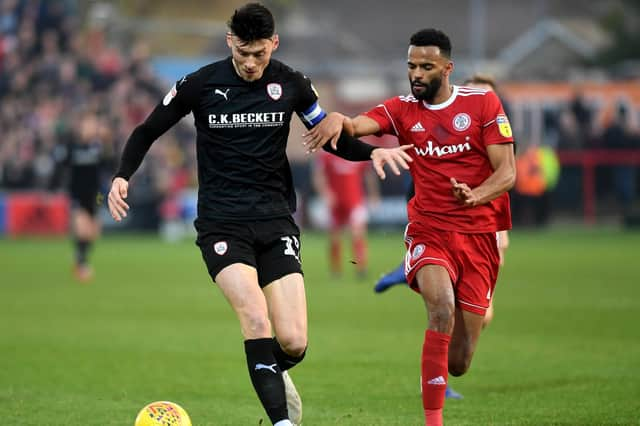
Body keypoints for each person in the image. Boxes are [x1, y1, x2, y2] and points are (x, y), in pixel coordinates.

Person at [106, 4, 412, 426]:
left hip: (275, 221)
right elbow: (146, 130)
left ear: (274, 44)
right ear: (231, 41)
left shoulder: (292, 84)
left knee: (293, 340)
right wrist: (123, 175)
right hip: (221, 224)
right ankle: (281, 421)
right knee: (254, 316)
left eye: (259, 54)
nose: (251, 63)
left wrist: (374, 152)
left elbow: (329, 138)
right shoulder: (200, 84)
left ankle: (269, 369)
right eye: (243, 53)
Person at [303, 29, 515, 425]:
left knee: (460, 362)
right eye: (411, 66)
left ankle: (442, 336)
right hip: (429, 231)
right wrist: (335, 117)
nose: (416, 74)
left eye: (426, 67)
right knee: (441, 311)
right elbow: (356, 126)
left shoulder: (483, 103)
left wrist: (476, 195)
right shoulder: (401, 109)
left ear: (447, 68)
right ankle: (433, 421)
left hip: (480, 236)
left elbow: (507, 173)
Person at [373, 74, 511, 330]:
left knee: (483, 317)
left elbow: (504, 175)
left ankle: (410, 270)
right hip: (444, 221)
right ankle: (418, 264)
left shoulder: (499, 132)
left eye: (486, 95)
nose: (478, 101)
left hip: (488, 216)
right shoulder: (443, 128)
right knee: (447, 308)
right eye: (472, 94)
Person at [51, 112, 113, 282]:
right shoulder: (71, 147)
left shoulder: (98, 147)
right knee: (82, 229)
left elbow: (110, 164)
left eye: (93, 125)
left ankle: (80, 256)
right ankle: (81, 264)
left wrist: (108, 143)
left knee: (94, 232)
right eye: (88, 125)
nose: (91, 128)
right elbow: (60, 167)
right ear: (81, 127)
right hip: (77, 194)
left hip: (97, 195)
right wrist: (55, 188)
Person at [312, 150, 380, 278]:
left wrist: (373, 194)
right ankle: (336, 270)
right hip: (335, 203)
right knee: (335, 237)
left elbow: (369, 175)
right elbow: (318, 176)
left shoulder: (356, 151)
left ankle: (361, 268)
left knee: (357, 234)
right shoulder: (327, 154)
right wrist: (325, 193)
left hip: (355, 201)